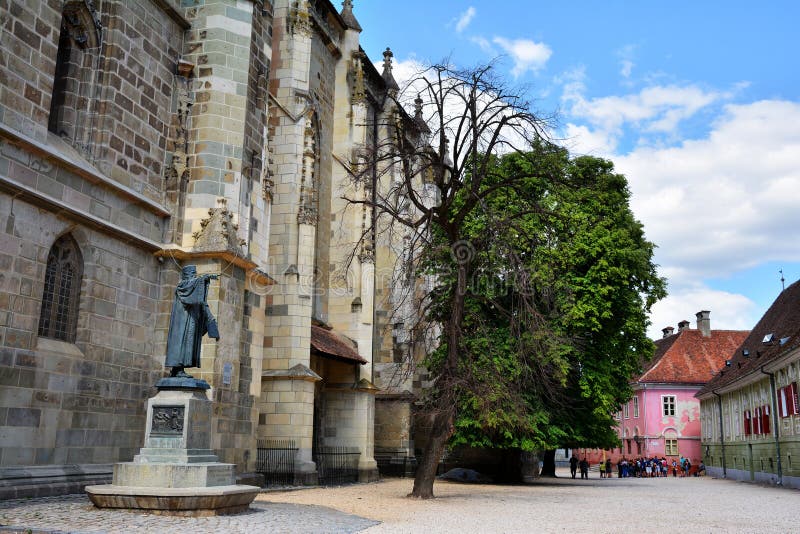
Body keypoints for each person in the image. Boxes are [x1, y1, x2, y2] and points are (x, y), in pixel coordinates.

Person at [165, 265, 220, 378]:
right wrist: (205, 278)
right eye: (193, 274)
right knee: (181, 344)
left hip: (190, 322)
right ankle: (178, 369)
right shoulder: (182, 286)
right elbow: (191, 286)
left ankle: (178, 370)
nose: (195, 276)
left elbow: (202, 304)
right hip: (182, 324)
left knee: (187, 345)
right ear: (187, 275)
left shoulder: (191, 288)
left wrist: (212, 324)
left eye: (195, 274)